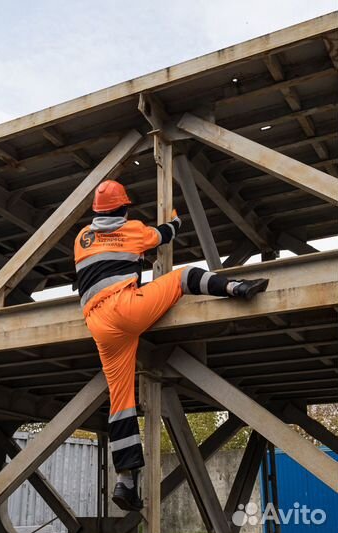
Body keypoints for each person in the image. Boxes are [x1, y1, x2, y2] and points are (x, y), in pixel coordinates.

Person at [74, 179, 269, 512]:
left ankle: (126, 480)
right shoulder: (133, 229)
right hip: (127, 308)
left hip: (97, 322)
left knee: (120, 401)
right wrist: (175, 219)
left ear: (96, 211)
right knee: (183, 277)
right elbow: (162, 236)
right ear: (123, 208)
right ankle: (236, 287)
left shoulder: (82, 238)